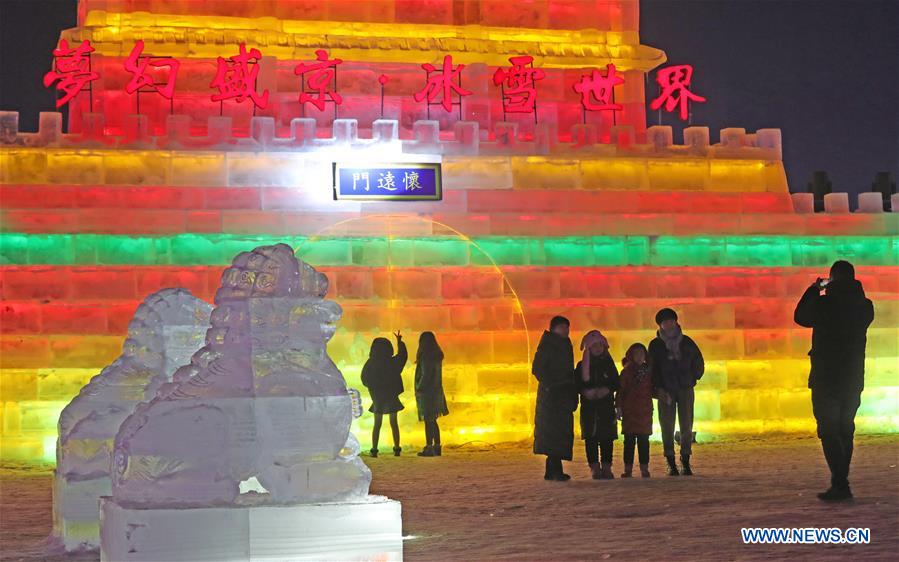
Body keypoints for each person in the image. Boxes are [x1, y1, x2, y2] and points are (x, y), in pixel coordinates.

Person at [794, 260, 874, 501]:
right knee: (845, 428)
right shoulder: (865, 306)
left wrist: (814, 289)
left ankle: (840, 482)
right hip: (852, 376)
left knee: (829, 430)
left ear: (832, 279)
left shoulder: (823, 304)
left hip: (825, 377)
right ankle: (841, 483)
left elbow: (800, 316)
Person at [649, 308, 704, 476]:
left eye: (670, 321)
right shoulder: (656, 345)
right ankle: (670, 460)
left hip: (685, 387)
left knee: (687, 424)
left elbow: (698, 361)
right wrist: (658, 389)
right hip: (665, 389)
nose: (668, 324)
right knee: (667, 425)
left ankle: (685, 459)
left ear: (676, 322)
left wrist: (693, 377)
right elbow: (652, 368)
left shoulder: (686, 341)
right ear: (660, 325)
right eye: (664, 322)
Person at [532, 316, 577, 481]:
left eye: (567, 327)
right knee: (553, 432)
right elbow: (537, 369)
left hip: (562, 394)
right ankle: (554, 470)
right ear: (554, 329)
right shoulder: (549, 346)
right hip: (552, 396)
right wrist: (551, 385)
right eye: (562, 327)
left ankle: (553, 470)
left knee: (558, 432)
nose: (566, 330)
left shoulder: (564, 345)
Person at [575, 330, 620, 480]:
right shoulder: (581, 365)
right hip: (589, 408)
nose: (598, 348)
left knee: (607, 439)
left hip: (606, 406)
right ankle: (594, 467)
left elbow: (616, 382)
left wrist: (607, 389)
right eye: (594, 346)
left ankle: (607, 467)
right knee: (591, 439)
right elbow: (577, 383)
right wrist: (584, 391)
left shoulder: (609, 363)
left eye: (600, 345)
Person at [361, 331, 408, 457]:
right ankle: (397, 448)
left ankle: (374, 450)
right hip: (391, 397)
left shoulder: (371, 363)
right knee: (394, 423)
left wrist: (373, 387)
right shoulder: (392, 362)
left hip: (378, 398)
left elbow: (364, 378)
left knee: (377, 425)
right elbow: (402, 356)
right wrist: (400, 343)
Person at [617, 343, 654, 478]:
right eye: (636, 354)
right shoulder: (626, 372)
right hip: (630, 412)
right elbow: (621, 391)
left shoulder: (649, 372)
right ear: (631, 356)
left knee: (644, 442)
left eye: (641, 354)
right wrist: (619, 407)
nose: (639, 357)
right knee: (629, 442)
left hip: (644, 411)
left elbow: (653, 389)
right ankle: (628, 469)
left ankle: (644, 468)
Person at [414, 331, 449, 457]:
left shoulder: (426, 357)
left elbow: (425, 375)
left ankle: (429, 447)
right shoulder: (437, 356)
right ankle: (437, 446)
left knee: (428, 421)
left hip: (427, 393)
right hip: (436, 391)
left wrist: (419, 387)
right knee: (433, 420)